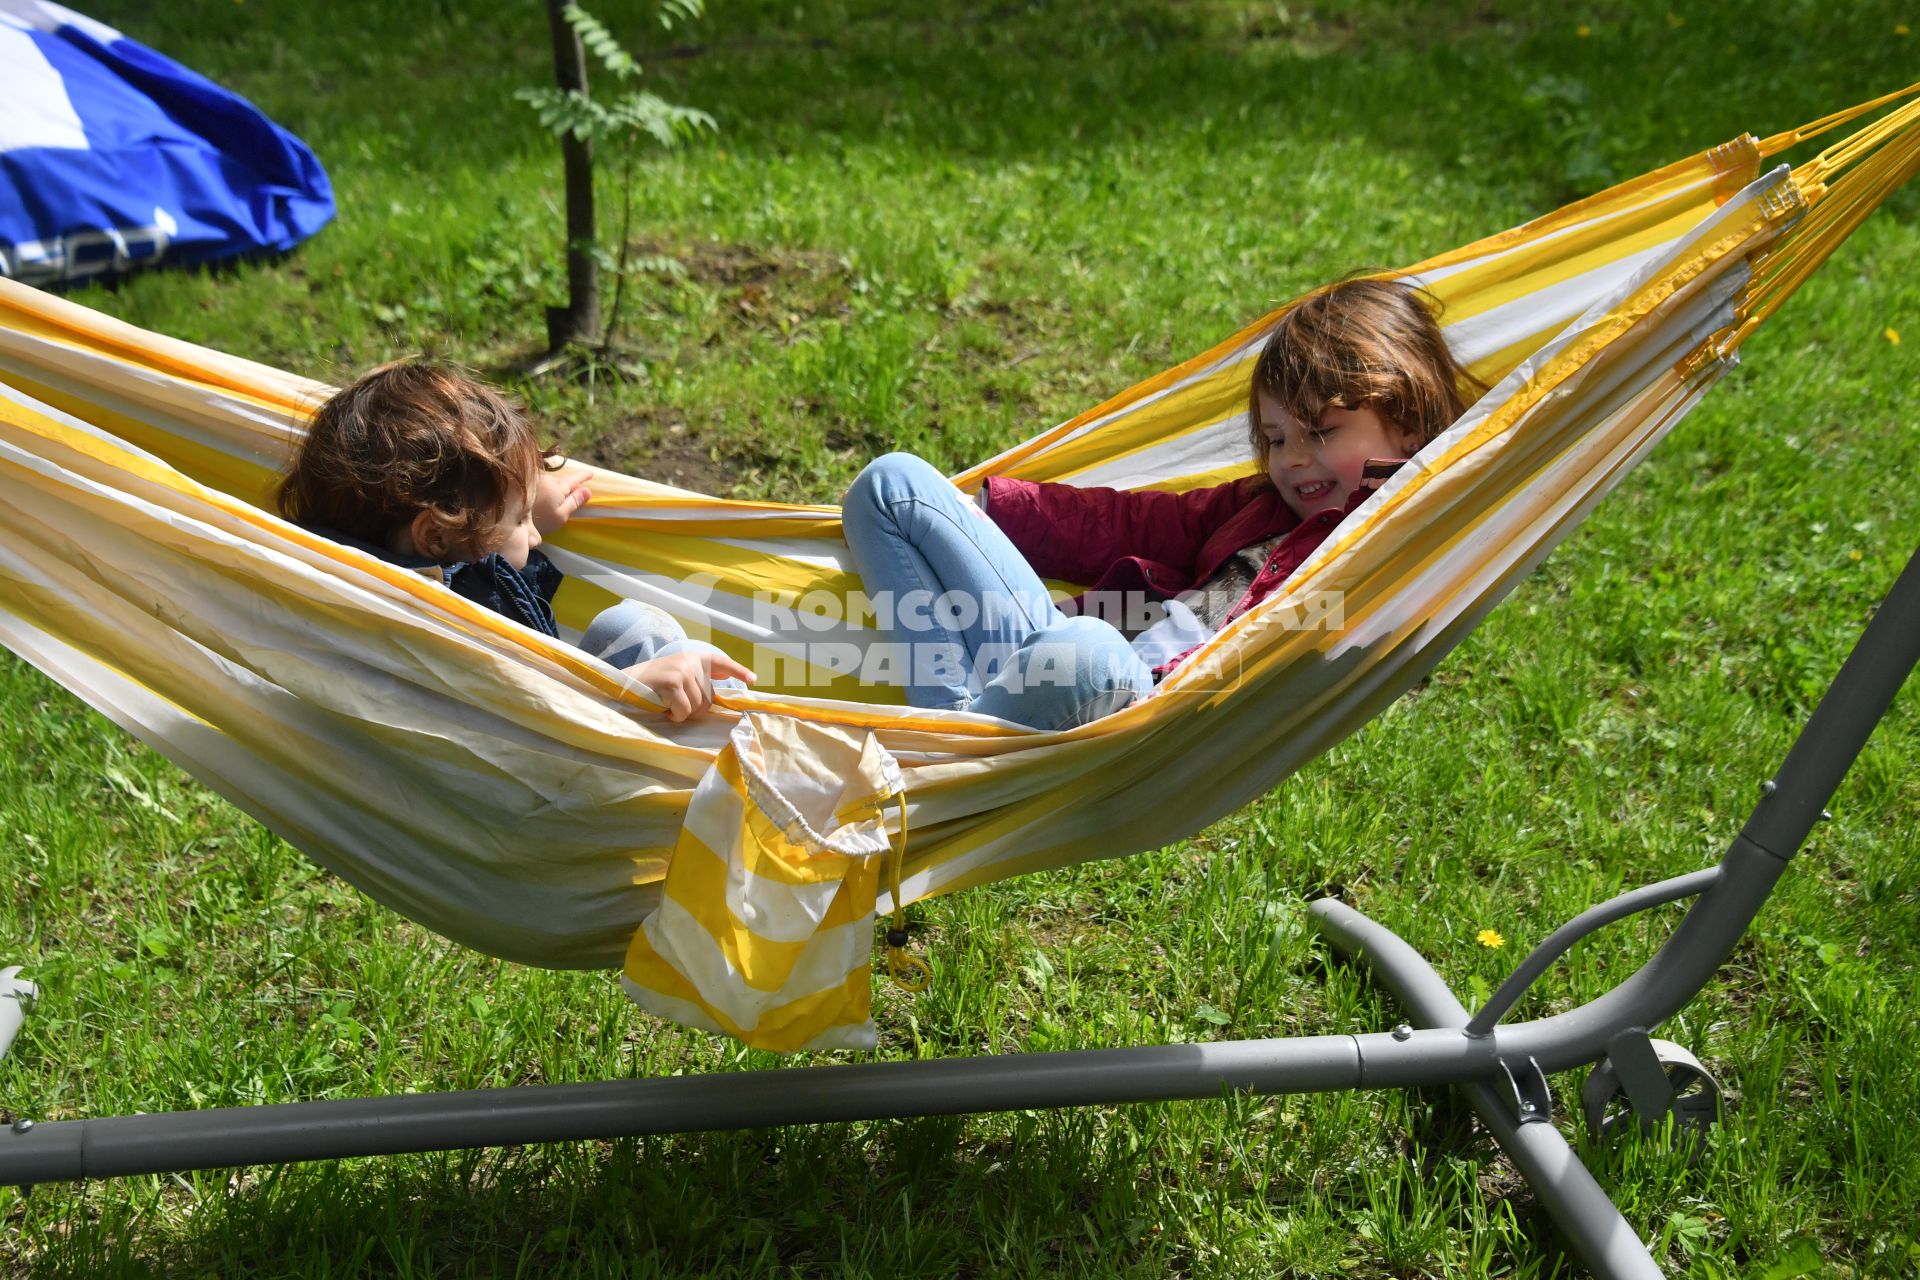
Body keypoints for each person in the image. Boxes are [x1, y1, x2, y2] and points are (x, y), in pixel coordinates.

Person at [840, 278, 1483, 731]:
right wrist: (997, 504)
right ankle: (949, 729)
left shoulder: (1393, 541)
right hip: (1055, 659)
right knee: (892, 485)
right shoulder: (1259, 509)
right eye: (1277, 437)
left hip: (1134, 708)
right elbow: (1135, 523)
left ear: (1406, 421)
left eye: (1322, 432)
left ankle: (937, 753)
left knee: (1090, 650)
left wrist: (1394, 481)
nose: (1291, 459)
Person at [276, 360, 752, 721]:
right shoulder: (452, 626)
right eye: (524, 519)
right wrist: (633, 688)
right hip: (539, 791)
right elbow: (522, 723)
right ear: (437, 536)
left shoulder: (340, 577)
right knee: (640, 627)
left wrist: (512, 501)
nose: (538, 533)